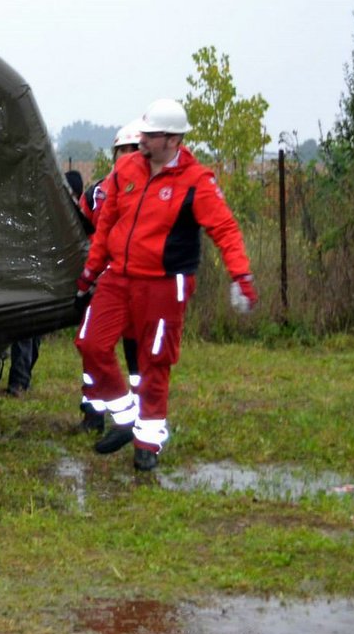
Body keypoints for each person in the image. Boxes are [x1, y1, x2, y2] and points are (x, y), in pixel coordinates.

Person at [75, 98, 256, 470]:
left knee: (155, 362)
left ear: (172, 140)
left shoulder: (197, 182)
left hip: (164, 284)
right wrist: (91, 272)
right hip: (118, 277)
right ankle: (127, 418)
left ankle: (148, 443)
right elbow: (106, 223)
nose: (141, 139)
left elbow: (224, 229)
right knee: (91, 344)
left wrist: (241, 276)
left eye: (151, 134)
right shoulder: (125, 168)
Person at [74, 120, 144, 431]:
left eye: (133, 150)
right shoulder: (95, 194)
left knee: (137, 357)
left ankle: (141, 416)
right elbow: (81, 232)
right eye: (122, 151)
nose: (127, 156)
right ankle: (93, 412)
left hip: (137, 282)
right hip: (101, 284)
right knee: (92, 348)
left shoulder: (150, 192)